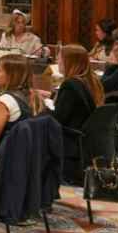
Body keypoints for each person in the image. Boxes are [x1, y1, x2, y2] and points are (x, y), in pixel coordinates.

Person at [45, 44, 104, 182]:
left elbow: (58, 119)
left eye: (59, 59)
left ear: (69, 62)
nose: (57, 62)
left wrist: (45, 106)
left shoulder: (70, 84)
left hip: (70, 137)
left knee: (30, 126)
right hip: (85, 137)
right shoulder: (91, 80)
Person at [0, 54, 45, 146]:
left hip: (4, 155)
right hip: (26, 151)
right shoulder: (34, 95)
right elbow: (9, 118)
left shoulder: (5, 101)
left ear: (11, 76)